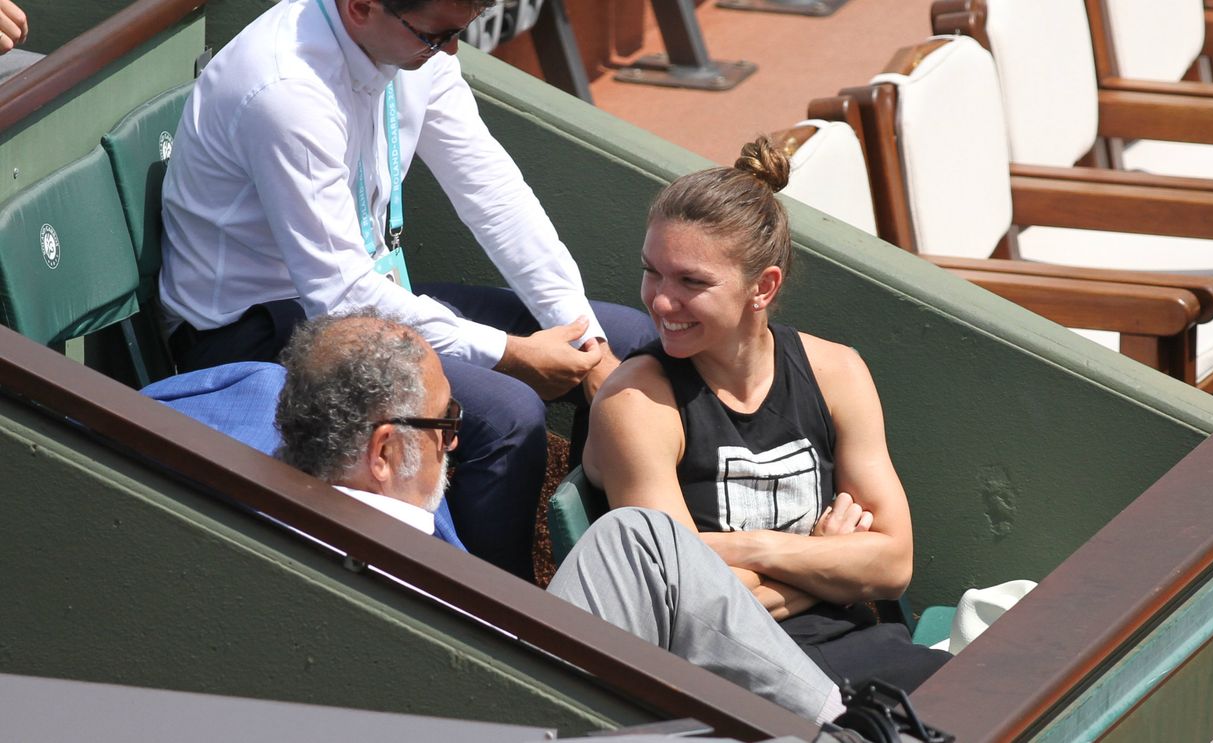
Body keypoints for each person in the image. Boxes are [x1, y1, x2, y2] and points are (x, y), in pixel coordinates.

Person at [159, 0, 655, 579]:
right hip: (255, 331)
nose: (450, 50)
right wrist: (511, 355)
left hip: (368, 292)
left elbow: (492, 193)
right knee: (505, 414)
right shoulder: (285, 90)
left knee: (629, 339)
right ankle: (508, 618)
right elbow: (339, 297)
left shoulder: (413, 46)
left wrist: (584, 337)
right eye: (437, 35)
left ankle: (625, 574)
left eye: (458, 33)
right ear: (362, 7)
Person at [273, 310, 846, 725]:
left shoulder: (277, 503)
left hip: (507, 682)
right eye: (445, 422)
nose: (454, 441)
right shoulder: (369, 556)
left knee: (637, 539)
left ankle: (845, 727)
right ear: (383, 454)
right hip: (513, 710)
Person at [584, 137, 951, 693]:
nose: (659, 301)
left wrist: (751, 549)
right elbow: (686, 605)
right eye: (652, 272)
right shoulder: (636, 403)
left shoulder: (836, 373)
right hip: (745, 681)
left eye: (691, 282)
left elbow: (894, 564)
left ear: (763, 287)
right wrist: (833, 566)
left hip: (870, 649)